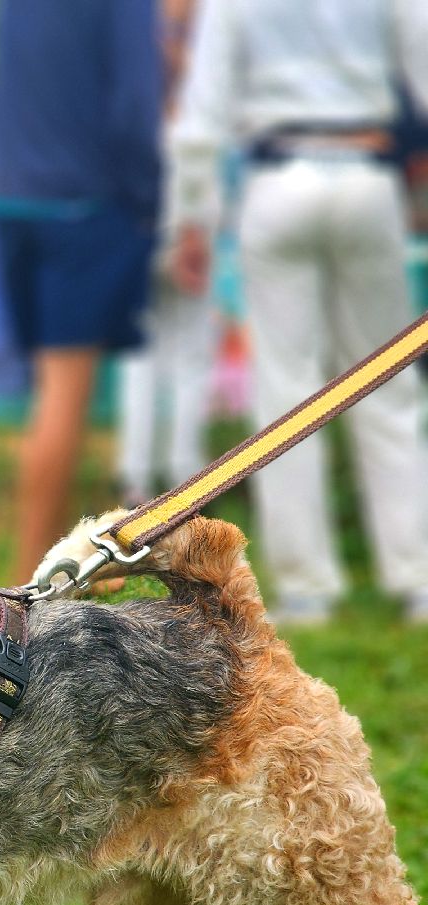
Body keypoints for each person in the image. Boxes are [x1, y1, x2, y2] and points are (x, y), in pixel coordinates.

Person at [168, 0, 428, 625]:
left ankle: (306, 587)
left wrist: (190, 220)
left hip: (276, 182)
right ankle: (417, 577)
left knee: (286, 393)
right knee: (388, 387)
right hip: (369, 182)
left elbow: (201, 117)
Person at [0, 0, 163, 585]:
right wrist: (148, 202)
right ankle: (32, 587)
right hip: (79, 203)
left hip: (15, 197)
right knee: (66, 397)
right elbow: (137, 103)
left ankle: (63, 565)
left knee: (50, 395)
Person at [116, 0, 217, 509]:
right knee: (189, 355)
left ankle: (137, 480)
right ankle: (184, 478)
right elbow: (199, 165)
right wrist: (191, 235)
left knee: (143, 357)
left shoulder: (131, 88)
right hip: (185, 234)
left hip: (139, 235)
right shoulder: (192, 98)